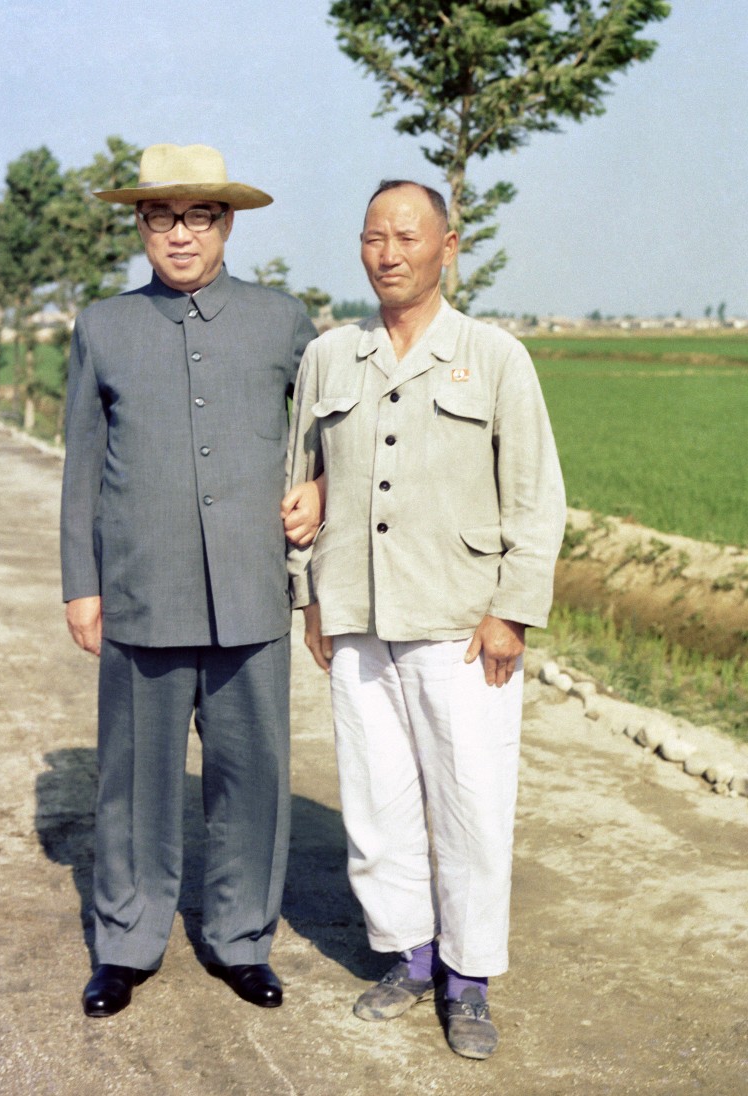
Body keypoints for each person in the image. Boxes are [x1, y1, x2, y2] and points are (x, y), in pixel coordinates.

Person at [283, 180, 565, 1059]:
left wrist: (512, 611)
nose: (389, 253)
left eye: (408, 237)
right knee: (377, 802)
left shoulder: (495, 356)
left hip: (461, 621)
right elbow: (300, 482)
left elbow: (536, 497)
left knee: (472, 803)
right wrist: (309, 594)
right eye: (375, 236)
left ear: (448, 248)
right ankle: (408, 957)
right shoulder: (330, 358)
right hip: (357, 614)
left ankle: (468, 980)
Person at [61, 143, 316, 1017]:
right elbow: (83, 465)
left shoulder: (282, 320)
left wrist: (320, 489)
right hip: (143, 589)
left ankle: (242, 940)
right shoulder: (104, 326)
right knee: (134, 781)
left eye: (198, 215)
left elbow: (329, 431)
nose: (180, 234)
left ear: (227, 223)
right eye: (160, 216)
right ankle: (126, 941)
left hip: (251, 590)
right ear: (140, 226)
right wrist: (81, 582)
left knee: (252, 776)